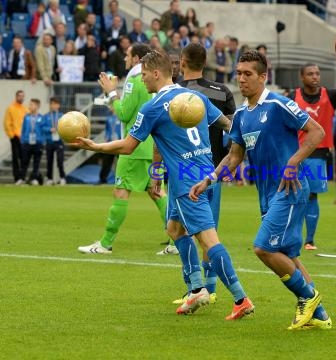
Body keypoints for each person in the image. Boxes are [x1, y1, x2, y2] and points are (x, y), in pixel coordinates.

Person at [74, 49, 254, 320]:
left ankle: (241, 299)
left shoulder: (153, 107)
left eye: (144, 74)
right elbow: (228, 124)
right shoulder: (197, 97)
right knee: (173, 228)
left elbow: (127, 146)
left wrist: (95, 145)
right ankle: (196, 289)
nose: (142, 79)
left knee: (208, 240)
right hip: (206, 173)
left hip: (187, 183)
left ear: (156, 73)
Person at [190, 50, 330, 330]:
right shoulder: (241, 114)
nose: (241, 79)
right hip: (266, 194)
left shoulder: (279, 104)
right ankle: (321, 317)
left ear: (263, 76)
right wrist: (209, 180)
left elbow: (317, 132)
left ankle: (308, 297)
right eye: (238, 73)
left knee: (263, 248)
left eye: (248, 74)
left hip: (290, 188)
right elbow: (234, 156)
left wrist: (293, 161)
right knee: (289, 255)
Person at [77, 43, 170, 255]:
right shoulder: (155, 80)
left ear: (137, 58)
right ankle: (176, 241)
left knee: (120, 192)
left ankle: (105, 243)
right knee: (158, 193)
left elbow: (124, 114)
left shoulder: (136, 79)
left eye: (127, 55)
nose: (124, 59)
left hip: (134, 147)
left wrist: (111, 92)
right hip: (153, 146)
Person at [172, 43, 237, 305]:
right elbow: (234, 129)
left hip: (182, 168)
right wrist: (230, 160)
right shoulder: (222, 91)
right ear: (206, 61)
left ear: (182, 62)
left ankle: (196, 287)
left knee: (179, 228)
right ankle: (208, 286)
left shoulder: (175, 93)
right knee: (209, 227)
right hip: (213, 169)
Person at [290, 63, 336, 250]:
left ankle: (309, 240)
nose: (315, 76)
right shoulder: (292, 97)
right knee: (295, 196)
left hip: (318, 154)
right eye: (310, 74)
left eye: (317, 73)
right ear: (302, 77)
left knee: (312, 196)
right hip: (295, 155)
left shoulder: (330, 95)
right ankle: (294, 237)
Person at [18, 98, 45, 186]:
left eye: (32, 104)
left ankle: (34, 178)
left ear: (37, 106)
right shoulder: (26, 117)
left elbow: (43, 130)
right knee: (24, 161)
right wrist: (22, 141)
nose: (30, 106)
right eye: (30, 104)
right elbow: (23, 129)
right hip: (27, 142)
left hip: (37, 143)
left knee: (36, 162)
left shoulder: (41, 118)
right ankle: (22, 178)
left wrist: (42, 142)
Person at [3, 90, 27, 184]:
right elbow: (7, 123)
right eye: (20, 96)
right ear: (16, 96)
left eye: (23, 96)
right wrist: (12, 135)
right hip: (15, 137)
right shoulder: (11, 108)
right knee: (15, 158)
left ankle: (22, 177)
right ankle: (17, 178)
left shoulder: (25, 109)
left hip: (24, 137)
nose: (21, 98)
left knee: (23, 158)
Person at [43, 97, 66, 185]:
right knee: (49, 160)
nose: (53, 106)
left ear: (58, 105)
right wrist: (50, 129)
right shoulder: (46, 116)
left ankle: (62, 177)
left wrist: (59, 129)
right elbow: (42, 127)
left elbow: (66, 126)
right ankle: (49, 178)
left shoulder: (62, 115)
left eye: (54, 104)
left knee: (60, 160)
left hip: (59, 140)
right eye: (51, 104)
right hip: (49, 141)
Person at [99, 107, 121, 185]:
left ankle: (121, 180)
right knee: (106, 162)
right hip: (110, 142)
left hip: (120, 143)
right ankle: (102, 179)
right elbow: (107, 129)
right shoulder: (109, 118)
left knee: (121, 162)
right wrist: (106, 137)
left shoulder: (121, 117)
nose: (111, 108)